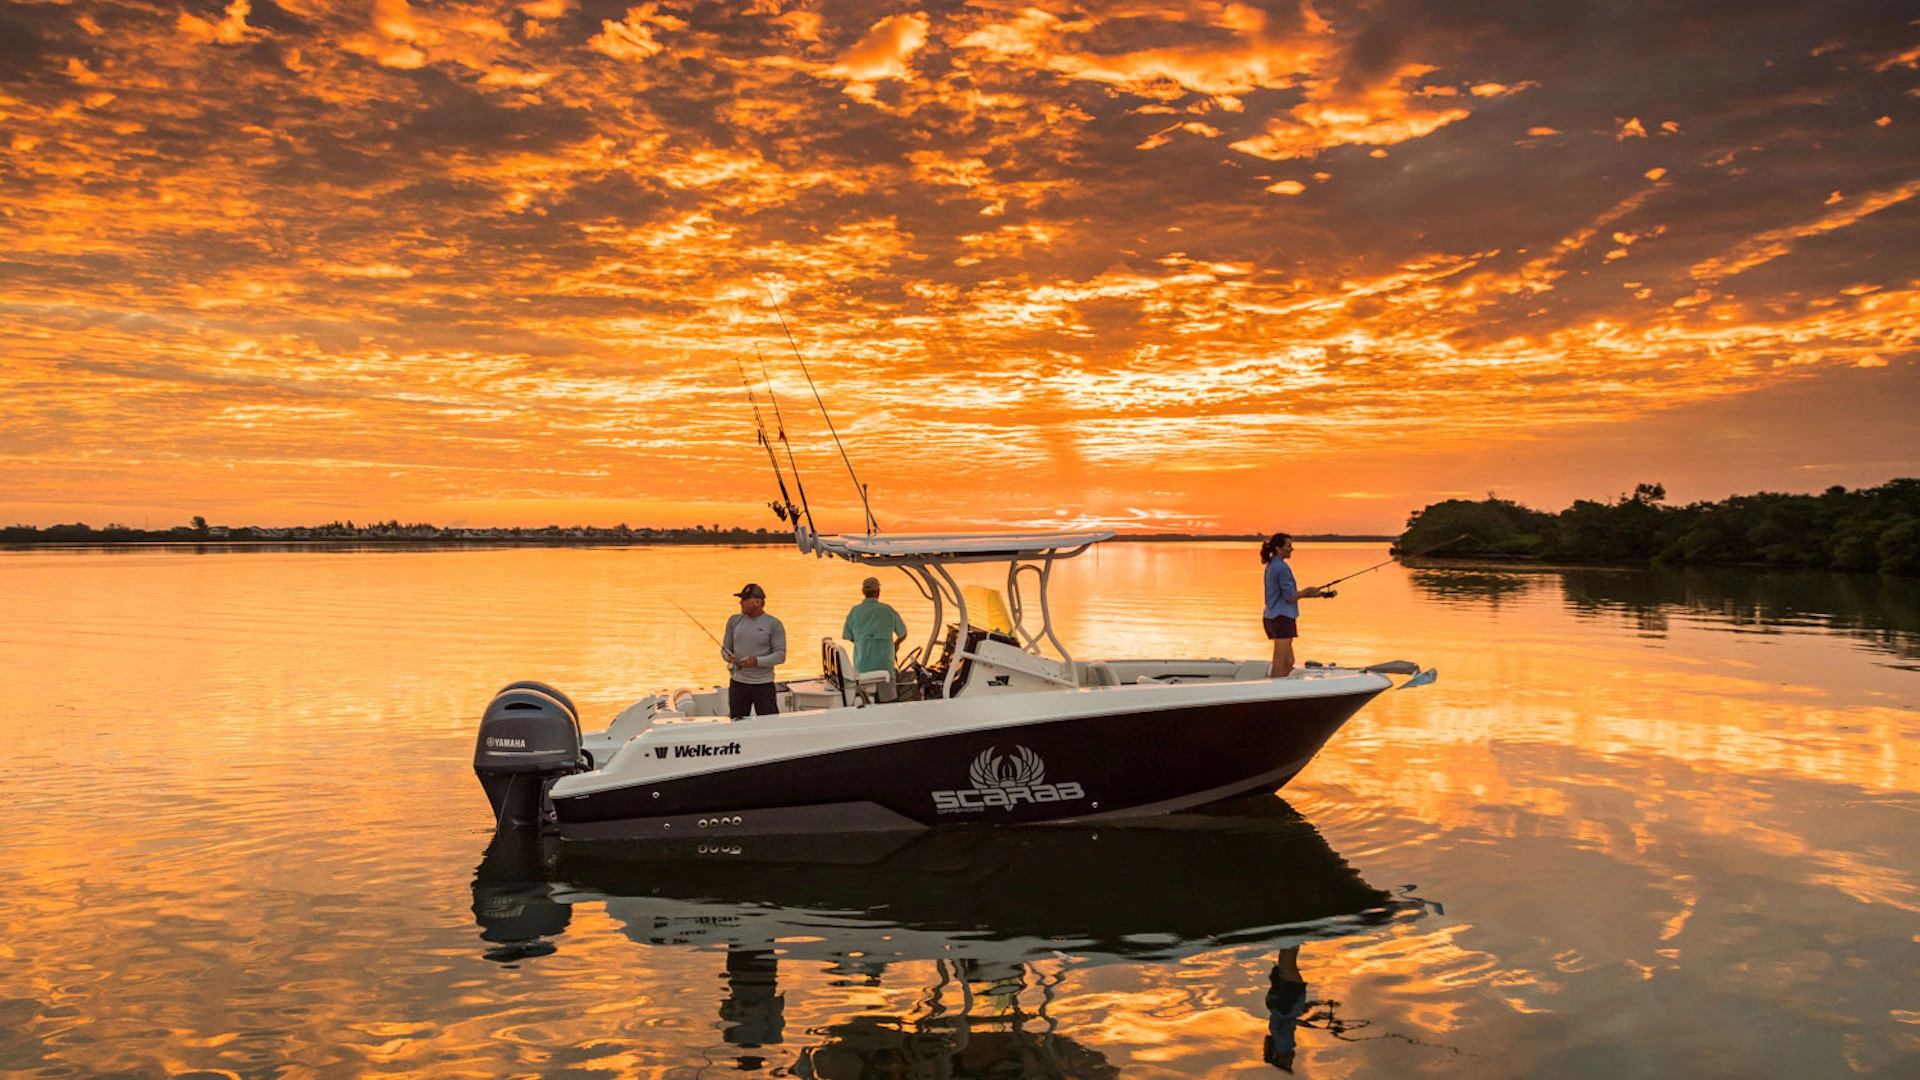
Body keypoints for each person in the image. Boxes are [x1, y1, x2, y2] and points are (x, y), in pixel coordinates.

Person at [1261, 533, 1333, 678]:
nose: (1292, 549)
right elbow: (1290, 598)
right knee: (1280, 661)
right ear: (1278, 548)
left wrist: (1318, 594)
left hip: (1274, 617)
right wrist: (1307, 590)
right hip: (1281, 618)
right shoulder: (1281, 568)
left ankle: (1283, 686)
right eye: (1289, 546)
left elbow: (1289, 595)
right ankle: (1275, 688)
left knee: (1289, 662)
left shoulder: (1272, 565)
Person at [722, 583, 786, 718]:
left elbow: (780, 655)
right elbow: (725, 648)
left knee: (770, 723)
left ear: (757, 602)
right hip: (738, 684)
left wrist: (756, 661)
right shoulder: (733, 621)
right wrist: (728, 656)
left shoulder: (774, 624)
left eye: (744, 599)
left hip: (763, 685)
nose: (740, 602)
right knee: (737, 722)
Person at [841, 576, 908, 675]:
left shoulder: (855, 611)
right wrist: (896, 644)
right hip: (885, 667)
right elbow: (902, 633)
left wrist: (862, 641)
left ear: (863, 592)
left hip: (862, 667)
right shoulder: (888, 610)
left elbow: (848, 636)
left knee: (863, 683)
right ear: (878, 592)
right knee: (888, 683)